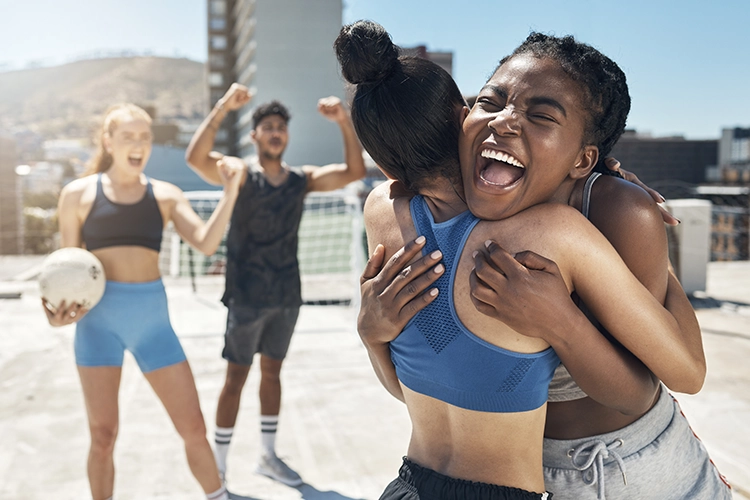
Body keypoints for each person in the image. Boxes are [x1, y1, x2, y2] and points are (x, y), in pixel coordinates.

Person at [338, 21, 730, 499]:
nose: (504, 121)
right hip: (522, 473)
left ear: (582, 160)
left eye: (541, 116)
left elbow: (677, 375)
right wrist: (371, 333)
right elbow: (434, 383)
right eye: (490, 101)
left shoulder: (609, 210)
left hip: (623, 467)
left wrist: (564, 315)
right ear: (458, 118)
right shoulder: (441, 214)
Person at [42, 103, 243, 500]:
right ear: (108, 142)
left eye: (145, 137)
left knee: (193, 429)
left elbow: (204, 243)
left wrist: (231, 190)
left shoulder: (166, 195)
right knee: (102, 435)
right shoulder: (77, 195)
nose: (138, 145)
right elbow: (69, 268)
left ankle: (218, 495)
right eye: (128, 136)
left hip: (154, 327)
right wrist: (58, 315)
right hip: (97, 327)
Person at [185, 83, 366, 487]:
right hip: (246, 295)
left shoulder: (301, 180)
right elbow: (195, 157)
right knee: (235, 379)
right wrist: (221, 108)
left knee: (273, 374)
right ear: (254, 136)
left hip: (286, 294)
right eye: (266, 126)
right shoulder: (239, 174)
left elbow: (354, 172)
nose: (274, 132)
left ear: (287, 135)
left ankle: (267, 457)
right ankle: (219, 465)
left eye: (280, 127)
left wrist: (344, 121)